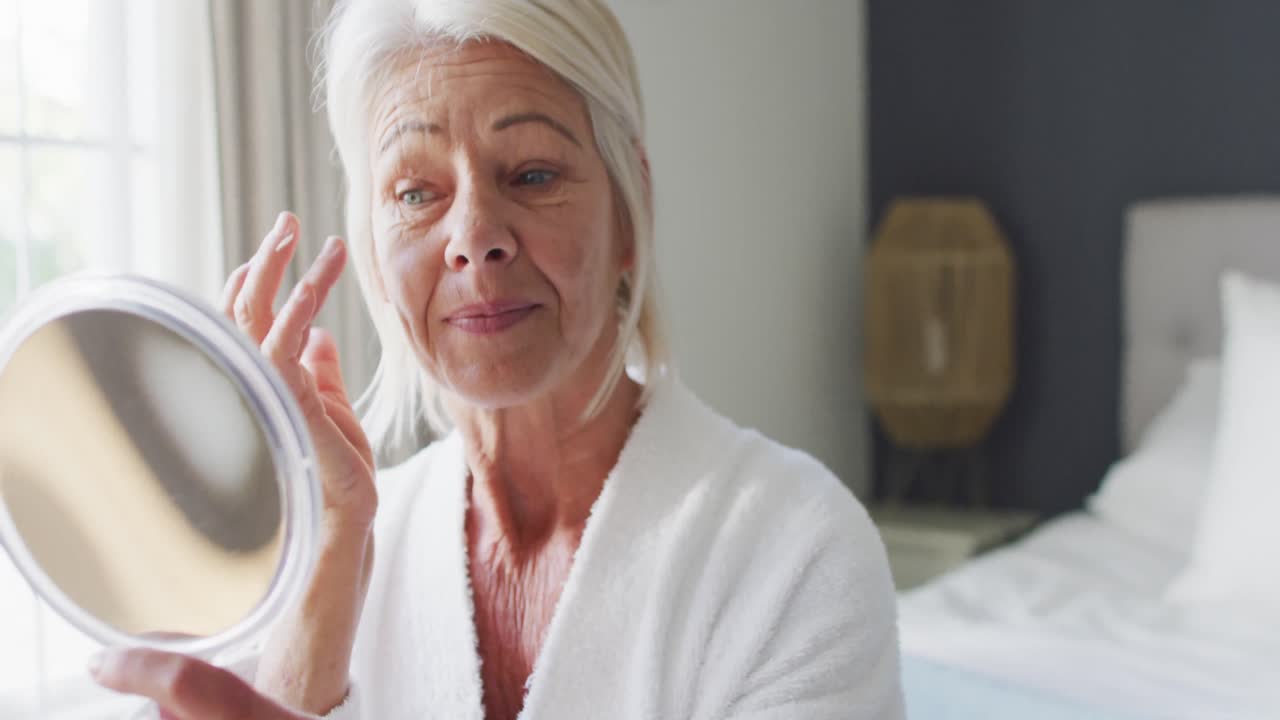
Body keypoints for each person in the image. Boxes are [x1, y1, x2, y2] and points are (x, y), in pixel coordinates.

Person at [89, 1, 904, 718]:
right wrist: (324, 585)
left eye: (533, 173)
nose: (476, 236)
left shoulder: (796, 549)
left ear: (630, 212)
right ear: (374, 249)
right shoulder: (323, 551)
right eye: (416, 193)